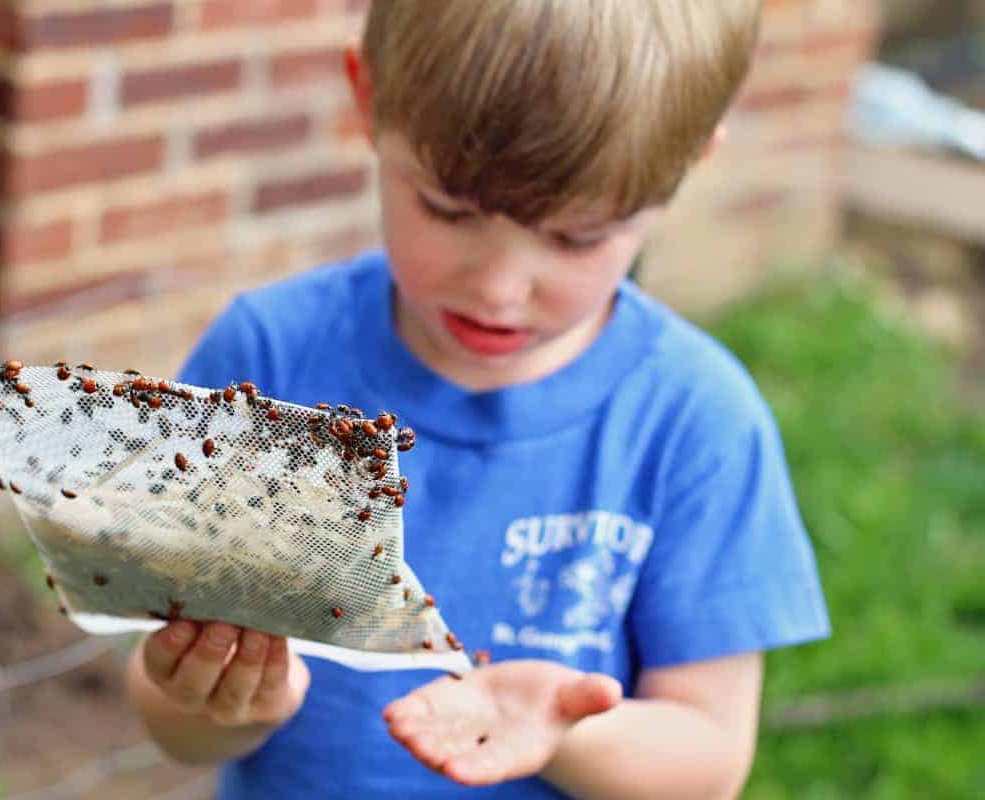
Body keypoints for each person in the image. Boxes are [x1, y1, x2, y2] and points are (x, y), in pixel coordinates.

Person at [125, 1, 831, 797]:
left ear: (684, 166)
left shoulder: (696, 423)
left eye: (576, 237)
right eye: (450, 211)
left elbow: (707, 760)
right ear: (369, 99)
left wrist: (565, 732)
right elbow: (169, 717)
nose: (499, 288)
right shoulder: (264, 364)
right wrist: (229, 702)